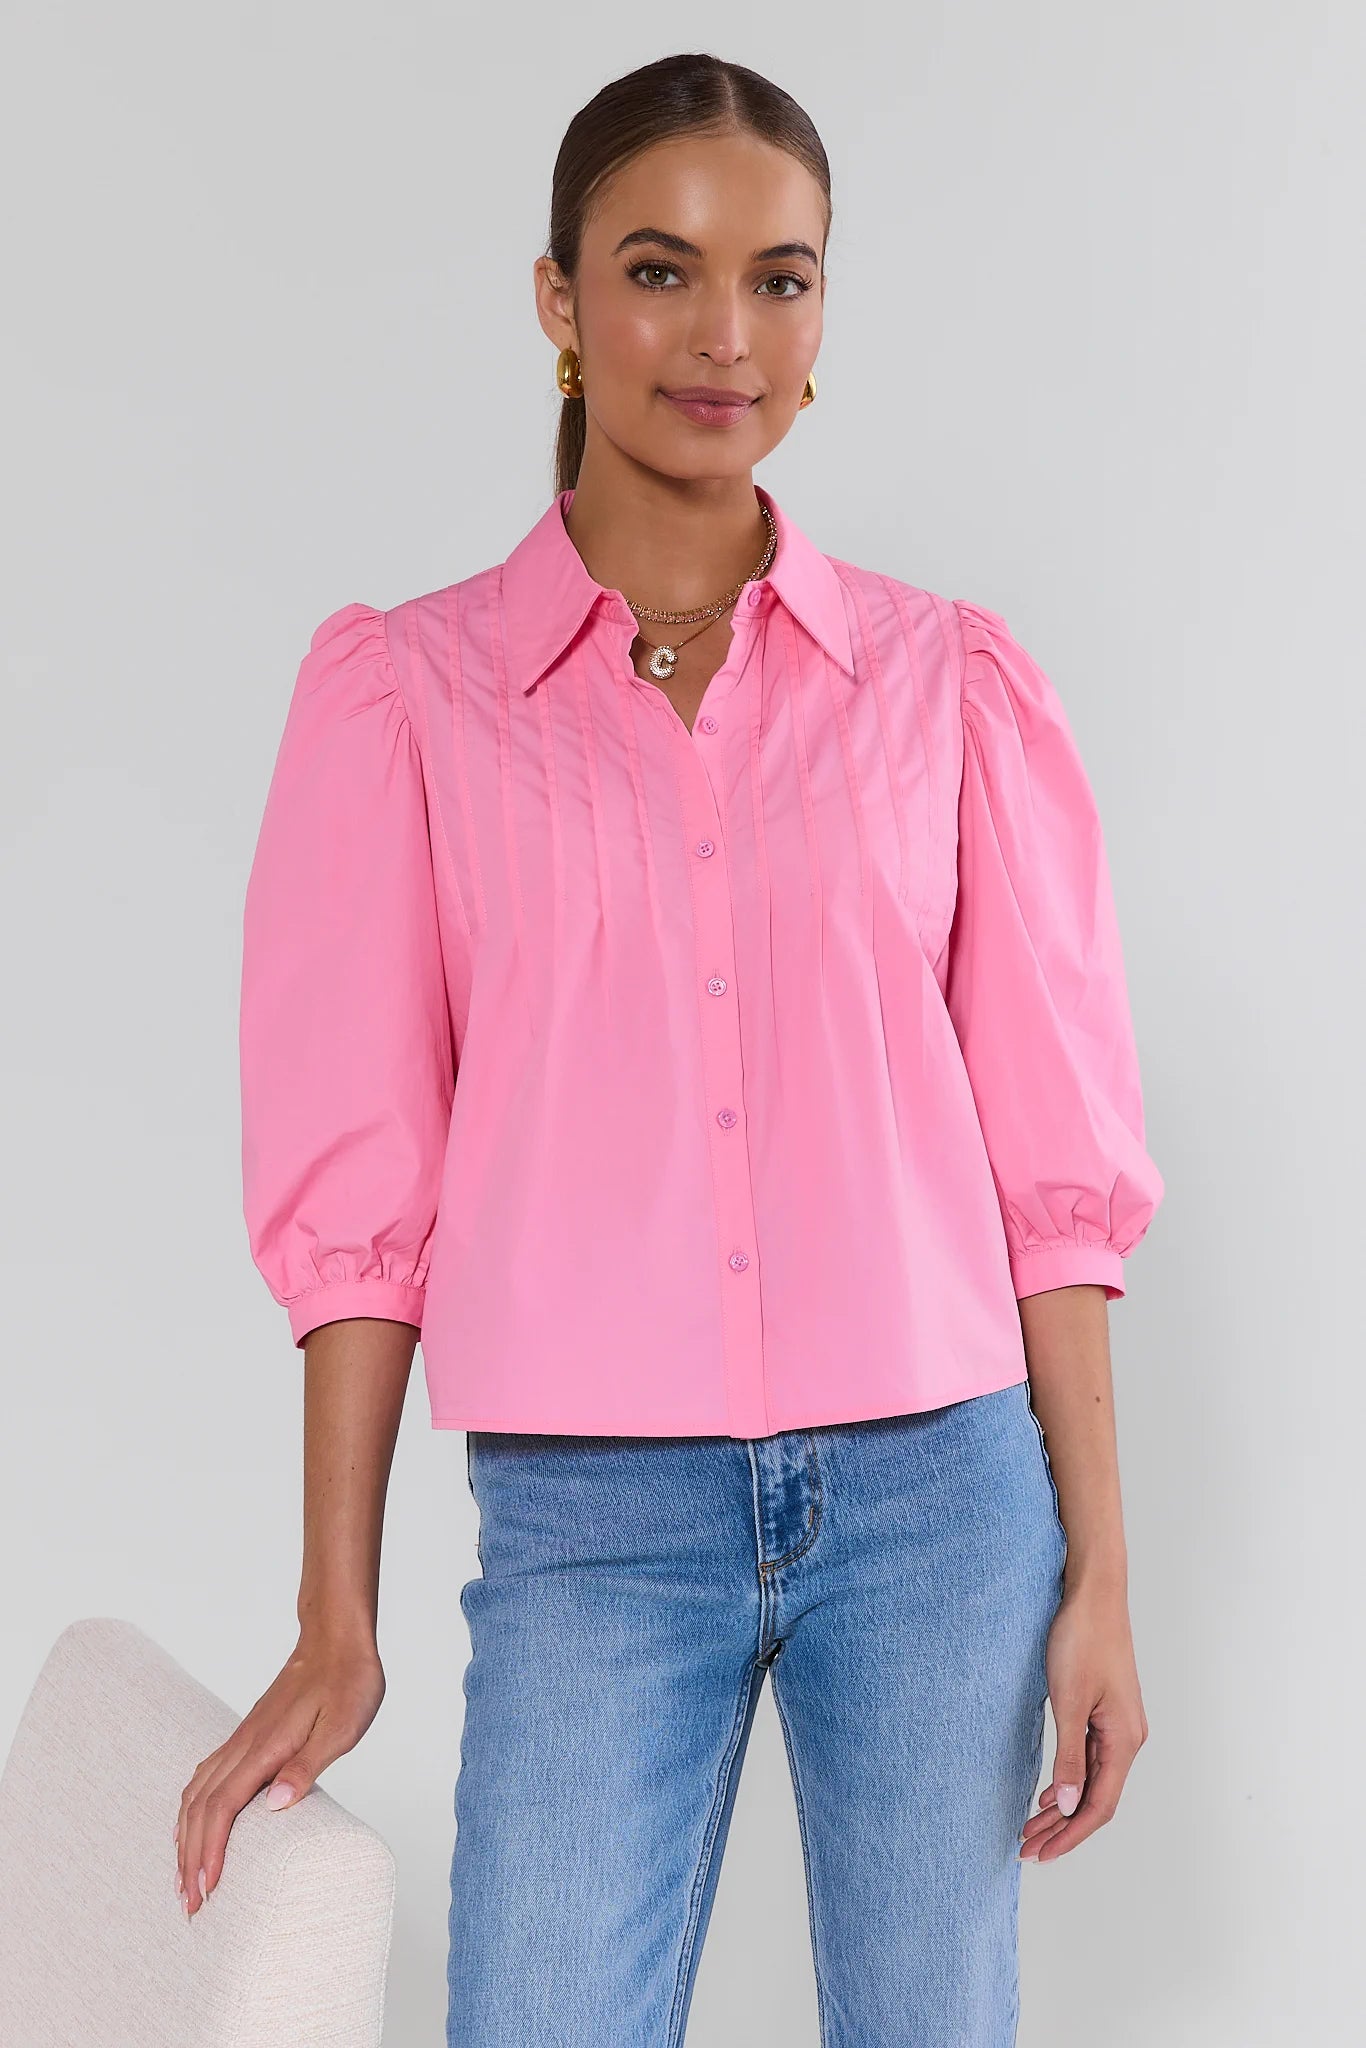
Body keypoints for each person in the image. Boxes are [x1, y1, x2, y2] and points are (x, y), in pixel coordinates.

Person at [174, 50, 1164, 2048]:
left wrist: (1100, 1581)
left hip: (940, 1497)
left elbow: (1050, 1171)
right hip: (591, 1513)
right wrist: (331, 1609)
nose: (726, 337)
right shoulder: (411, 697)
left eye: (782, 280)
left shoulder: (946, 689)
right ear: (553, 300)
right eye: (658, 269)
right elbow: (365, 1194)